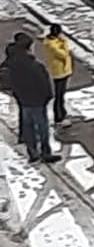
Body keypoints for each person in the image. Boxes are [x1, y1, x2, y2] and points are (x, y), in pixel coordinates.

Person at [8, 33, 58, 163]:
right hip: (37, 101)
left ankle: (33, 152)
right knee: (42, 127)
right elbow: (44, 84)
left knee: (28, 127)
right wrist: (47, 97)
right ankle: (45, 152)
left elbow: (12, 82)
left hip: (24, 100)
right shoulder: (36, 66)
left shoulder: (14, 64)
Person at [43, 24, 72, 126]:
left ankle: (62, 112)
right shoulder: (51, 44)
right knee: (59, 95)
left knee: (61, 94)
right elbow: (64, 54)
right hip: (59, 72)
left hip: (64, 70)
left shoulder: (54, 42)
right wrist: (64, 42)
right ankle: (58, 117)